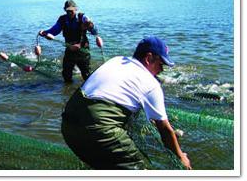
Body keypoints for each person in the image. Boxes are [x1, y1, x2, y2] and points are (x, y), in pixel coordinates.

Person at [61, 36, 192, 170]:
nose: (162, 70)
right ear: (149, 58)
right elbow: (164, 129)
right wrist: (181, 157)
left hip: (68, 127)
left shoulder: (116, 60)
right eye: (161, 64)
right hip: (99, 129)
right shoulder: (151, 84)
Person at [39, 0, 101, 83]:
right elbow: (55, 30)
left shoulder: (82, 18)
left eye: (71, 10)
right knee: (66, 75)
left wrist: (90, 25)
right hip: (70, 50)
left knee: (86, 75)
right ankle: (69, 90)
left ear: (76, 9)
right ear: (64, 9)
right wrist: (45, 32)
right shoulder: (62, 19)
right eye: (67, 10)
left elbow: (95, 32)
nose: (69, 12)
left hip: (83, 51)